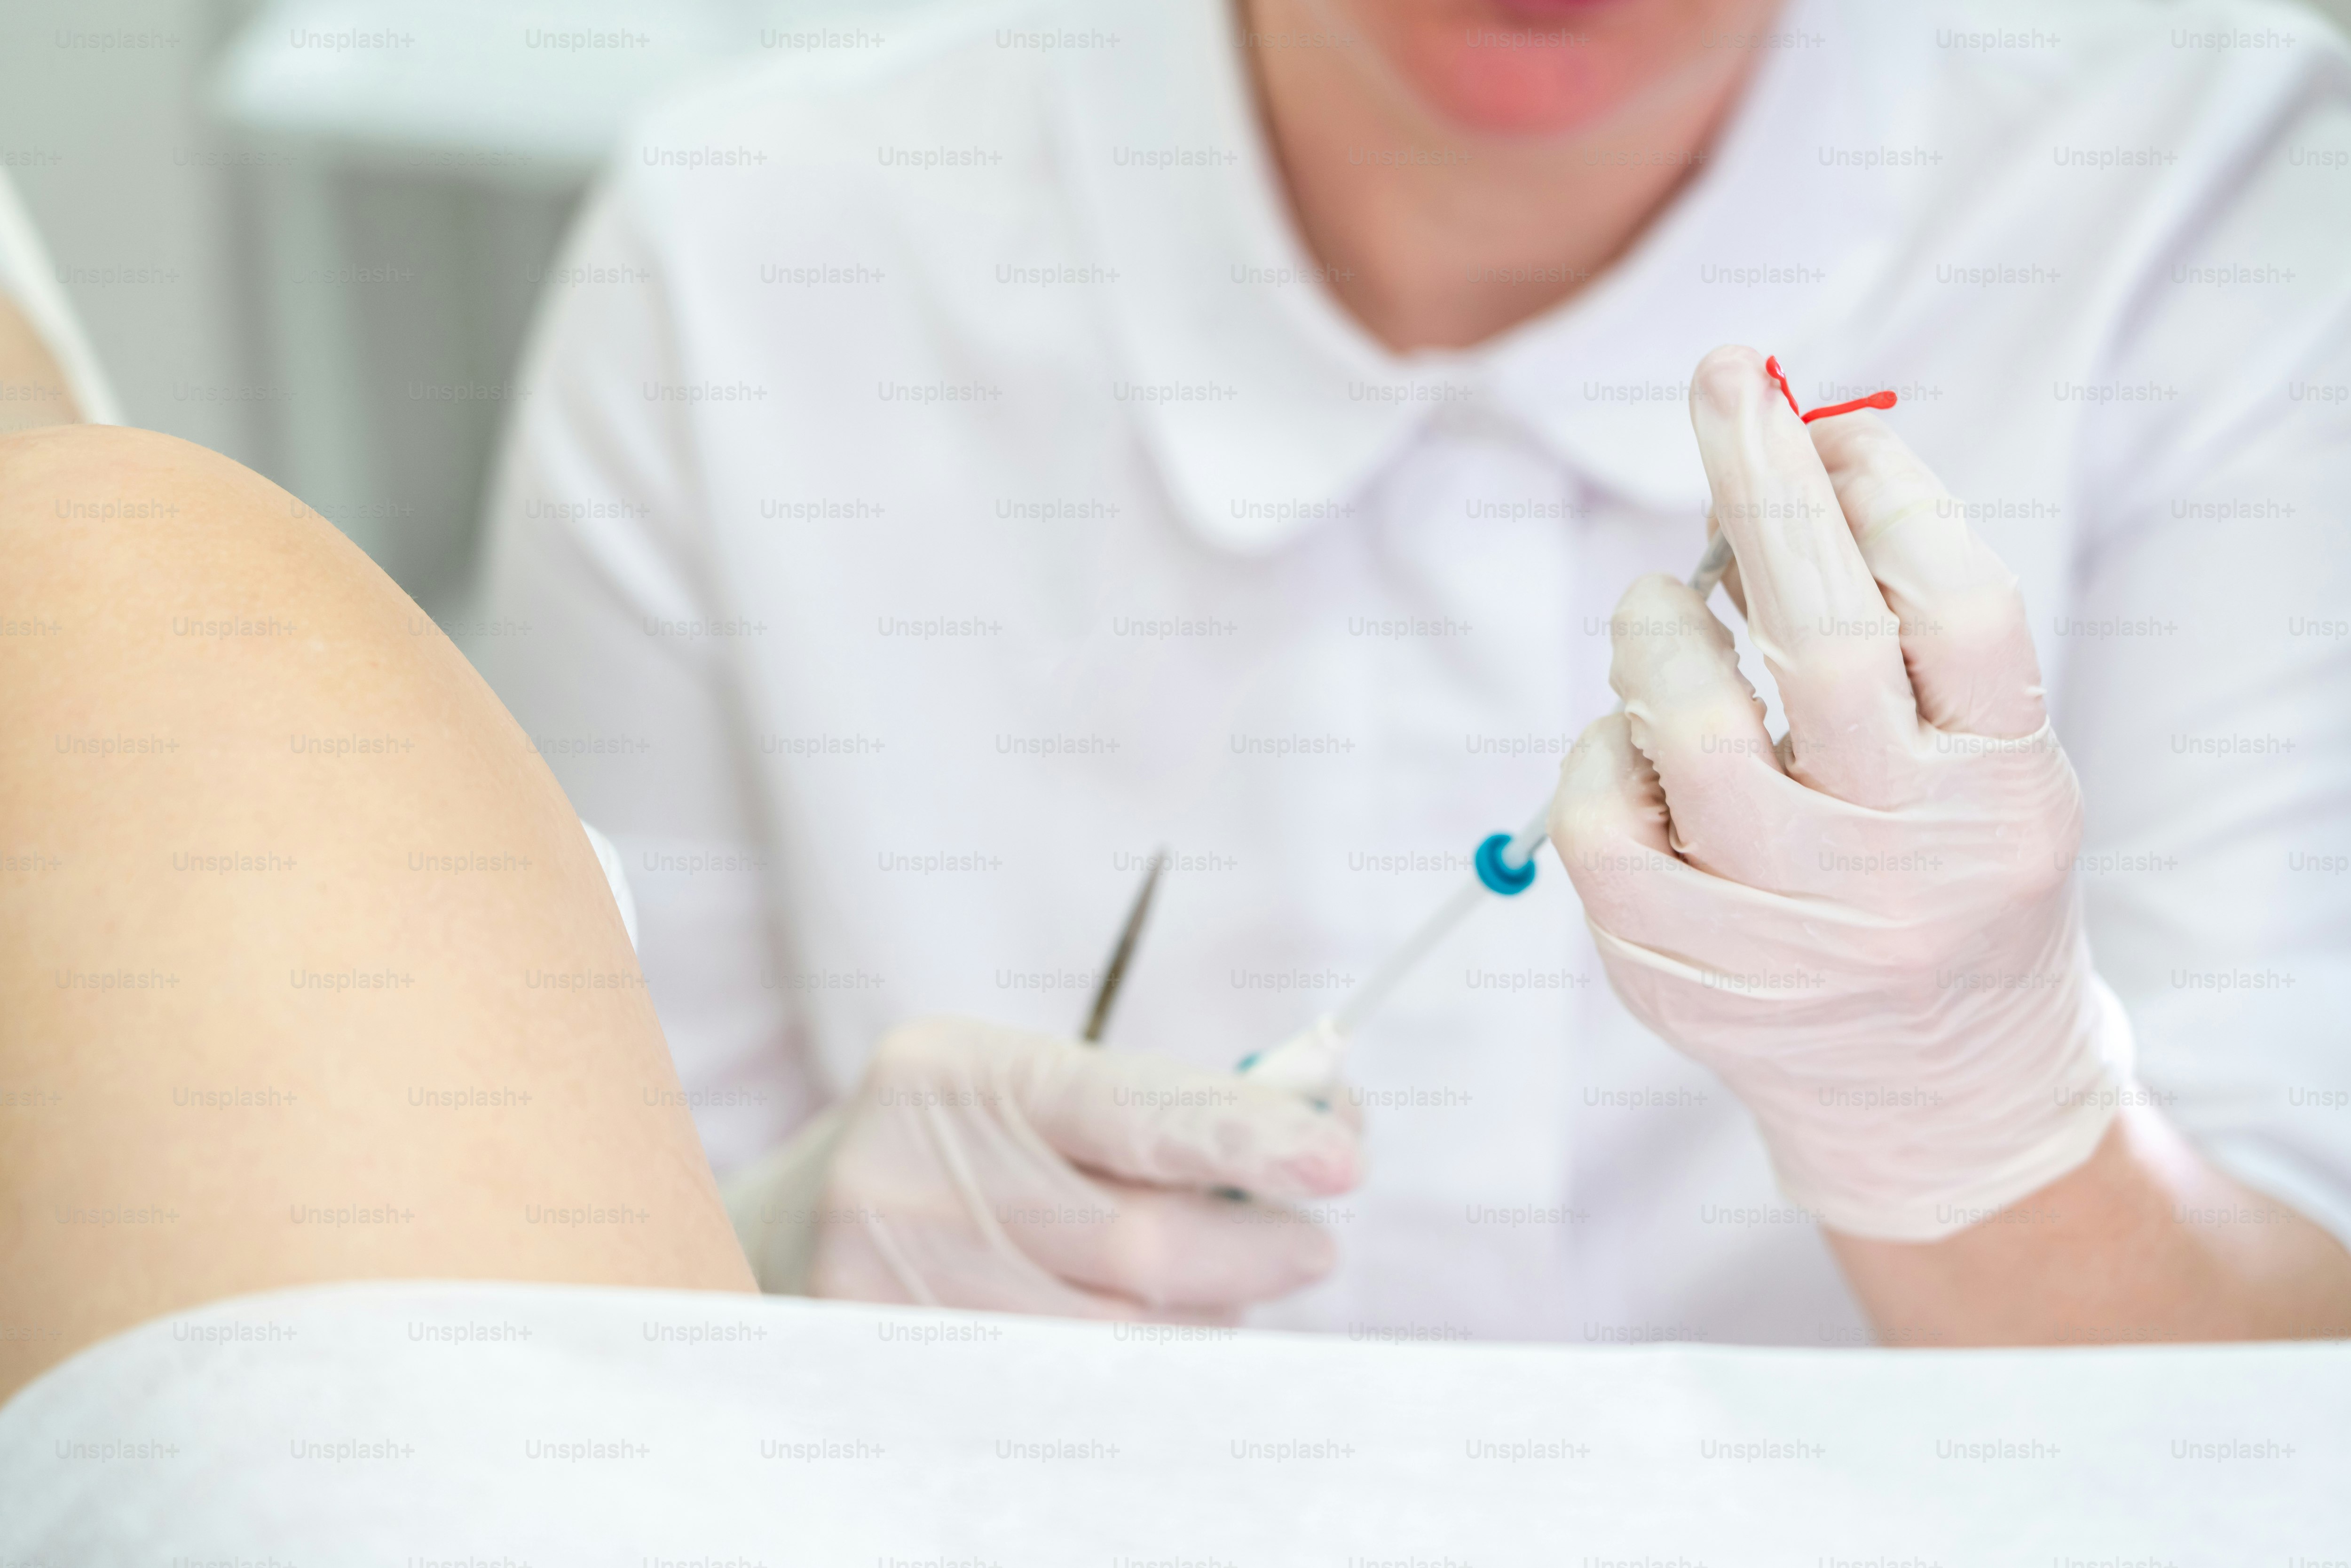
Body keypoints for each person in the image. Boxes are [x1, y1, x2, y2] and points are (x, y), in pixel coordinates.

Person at [474, 0, 2351, 1344]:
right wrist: (770, 1268)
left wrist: (1978, 1126)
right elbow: (537, 1323)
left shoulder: (2208, 199)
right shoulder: (753, 251)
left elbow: (2281, 1384)